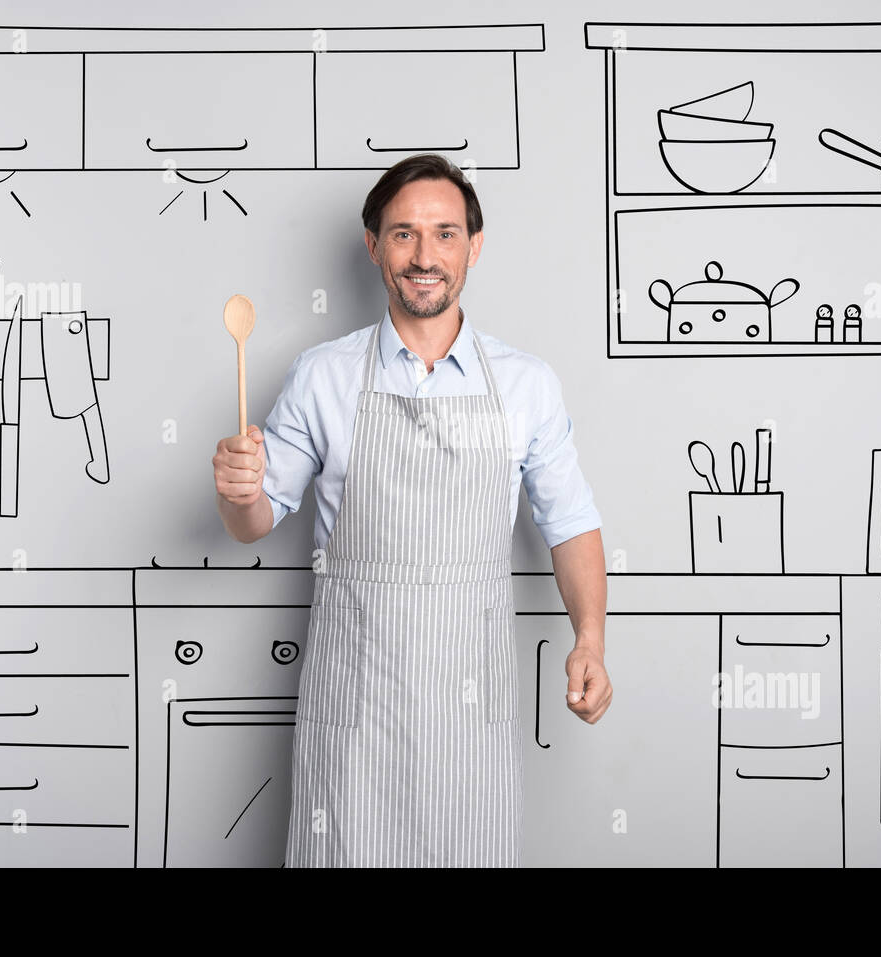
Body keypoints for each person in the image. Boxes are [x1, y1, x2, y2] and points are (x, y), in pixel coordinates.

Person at [213, 153, 610, 867]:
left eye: (445, 233)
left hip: (469, 716)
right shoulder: (322, 375)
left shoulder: (526, 384)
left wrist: (590, 639)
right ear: (373, 245)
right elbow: (255, 521)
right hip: (354, 711)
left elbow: (571, 521)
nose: (425, 255)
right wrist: (237, 492)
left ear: (474, 246)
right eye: (403, 234)